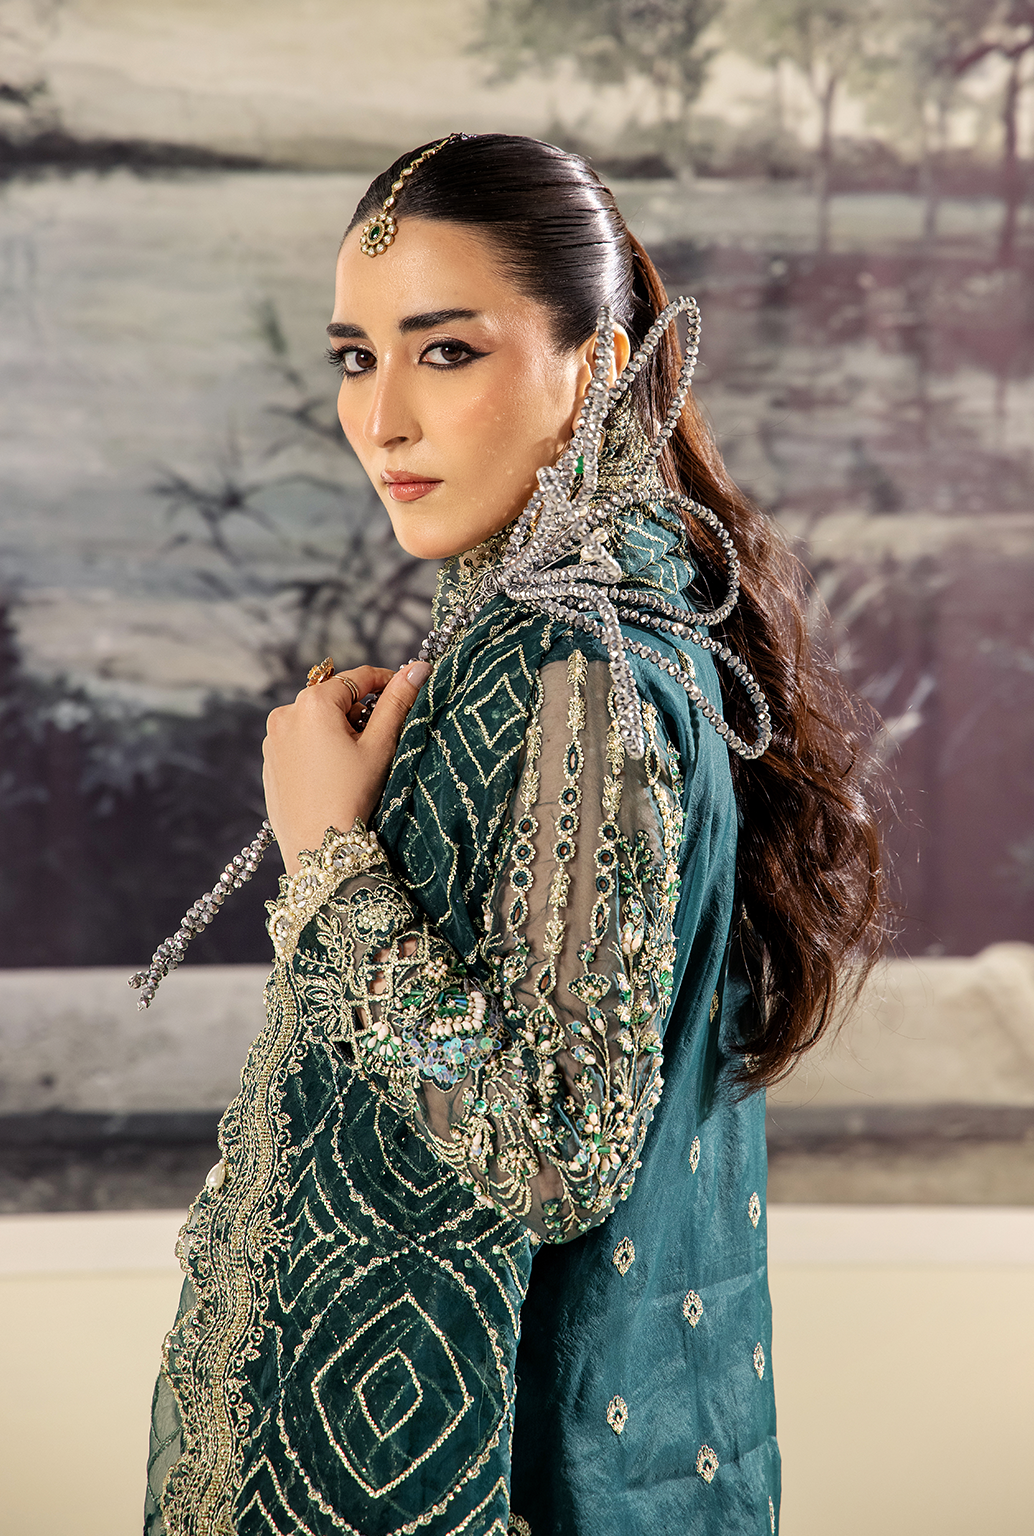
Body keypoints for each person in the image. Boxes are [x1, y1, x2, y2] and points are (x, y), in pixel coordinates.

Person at [143, 133, 884, 1536]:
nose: (380, 420)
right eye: (353, 358)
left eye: (445, 351)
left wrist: (329, 864)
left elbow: (550, 1148)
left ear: (597, 367)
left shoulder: (575, 664)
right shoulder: (592, 632)